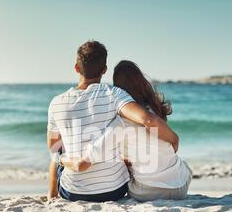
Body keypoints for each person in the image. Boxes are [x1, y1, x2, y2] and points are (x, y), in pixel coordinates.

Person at [47, 41, 179, 202]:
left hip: (72, 192)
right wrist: (174, 139)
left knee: (58, 151)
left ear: (76, 68)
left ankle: (51, 197)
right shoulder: (115, 94)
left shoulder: (56, 102)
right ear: (104, 70)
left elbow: (52, 145)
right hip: (114, 190)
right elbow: (147, 119)